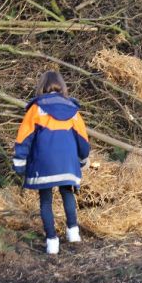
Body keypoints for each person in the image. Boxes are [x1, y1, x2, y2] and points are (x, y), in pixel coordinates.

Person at [13, 71, 90, 255]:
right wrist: (83, 159)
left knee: (45, 200)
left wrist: (19, 163)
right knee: (67, 193)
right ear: (62, 86)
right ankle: (73, 233)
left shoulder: (36, 108)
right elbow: (82, 138)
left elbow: (24, 138)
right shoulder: (72, 109)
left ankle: (52, 242)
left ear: (42, 86)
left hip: (43, 162)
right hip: (67, 162)